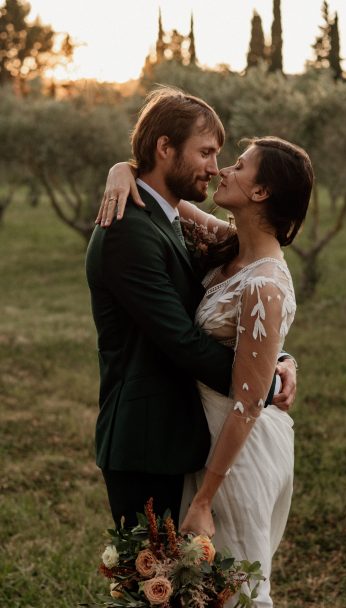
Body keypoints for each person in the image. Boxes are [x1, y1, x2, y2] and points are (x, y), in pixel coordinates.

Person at [86, 87, 297, 534]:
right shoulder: (129, 231)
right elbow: (181, 340)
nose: (215, 167)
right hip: (145, 441)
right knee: (152, 590)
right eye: (205, 152)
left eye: (220, 155)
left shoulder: (167, 218)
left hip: (181, 436)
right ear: (165, 148)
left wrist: (274, 358)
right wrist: (261, 381)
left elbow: (236, 300)